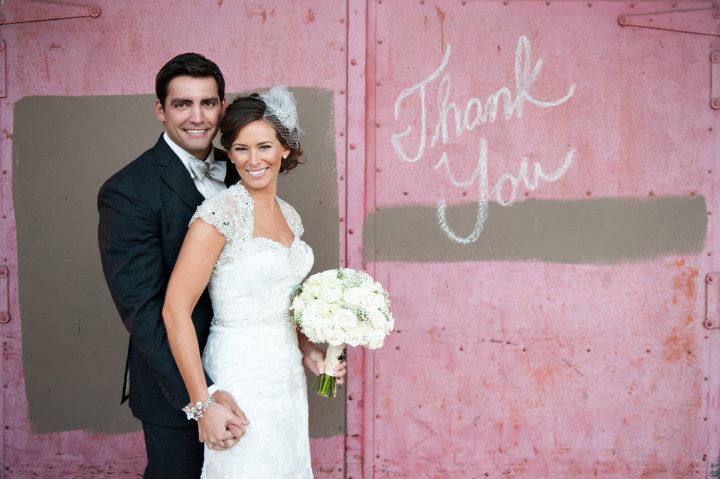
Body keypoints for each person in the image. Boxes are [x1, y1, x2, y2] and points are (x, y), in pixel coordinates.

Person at [162, 87, 347, 478]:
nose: (253, 160)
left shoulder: (291, 216)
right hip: (239, 374)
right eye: (241, 149)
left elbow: (280, 299)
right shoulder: (218, 215)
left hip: (286, 378)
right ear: (229, 153)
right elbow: (175, 310)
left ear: (285, 149)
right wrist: (203, 403)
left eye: (264, 146)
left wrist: (308, 350)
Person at [97, 52, 246, 478]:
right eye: (182, 104)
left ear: (222, 106)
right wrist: (200, 399)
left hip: (246, 368)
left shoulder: (242, 169)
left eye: (208, 103)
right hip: (176, 385)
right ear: (160, 109)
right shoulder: (127, 191)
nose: (197, 117)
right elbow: (143, 312)